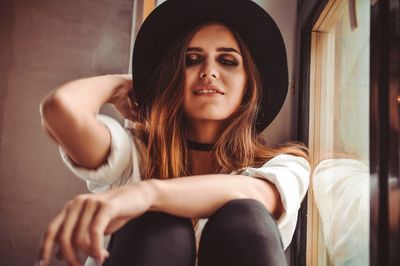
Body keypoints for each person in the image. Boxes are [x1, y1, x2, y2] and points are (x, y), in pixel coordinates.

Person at [37, 0, 310, 265]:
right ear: (173, 77)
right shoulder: (135, 156)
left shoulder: (284, 165)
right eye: (191, 60)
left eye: (227, 60)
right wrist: (119, 85)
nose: (209, 72)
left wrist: (145, 194)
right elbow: (61, 110)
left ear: (250, 84)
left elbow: (253, 195)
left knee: (244, 213)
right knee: (157, 222)